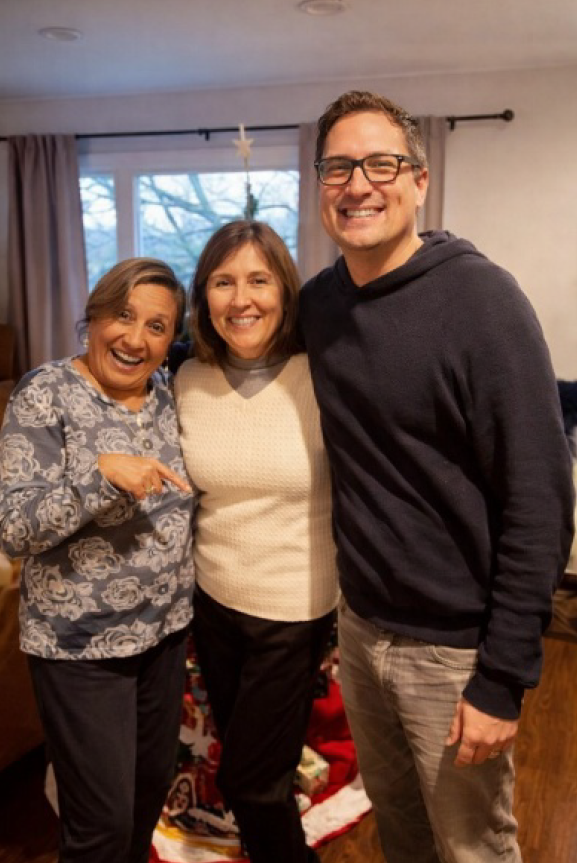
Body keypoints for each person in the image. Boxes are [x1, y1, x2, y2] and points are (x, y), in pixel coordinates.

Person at [298, 90, 575, 863]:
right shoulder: (320, 306)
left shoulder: (481, 300)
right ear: (319, 186)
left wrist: (501, 677)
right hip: (359, 629)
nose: (358, 183)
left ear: (419, 181)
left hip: (454, 651)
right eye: (338, 167)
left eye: (380, 163)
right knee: (403, 833)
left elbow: (539, 499)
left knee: (473, 848)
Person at [0, 258, 196, 863]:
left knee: (143, 804)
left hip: (164, 636)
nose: (136, 338)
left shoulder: (166, 394)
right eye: (122, 315)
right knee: (100, 825)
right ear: (93, 316)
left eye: (157, 326)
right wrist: (100, 478)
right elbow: (14, 527)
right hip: (80, 647)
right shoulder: (45, 393)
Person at [175, 220, 339, 863]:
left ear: (285, 290)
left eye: (257, 280)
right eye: (223, 281)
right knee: (240, 767)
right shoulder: (188, 377)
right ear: (204, 296)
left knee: (255, 782)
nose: (240, 299)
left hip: (293, 611)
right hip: (212, 604)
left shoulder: (323, 374)